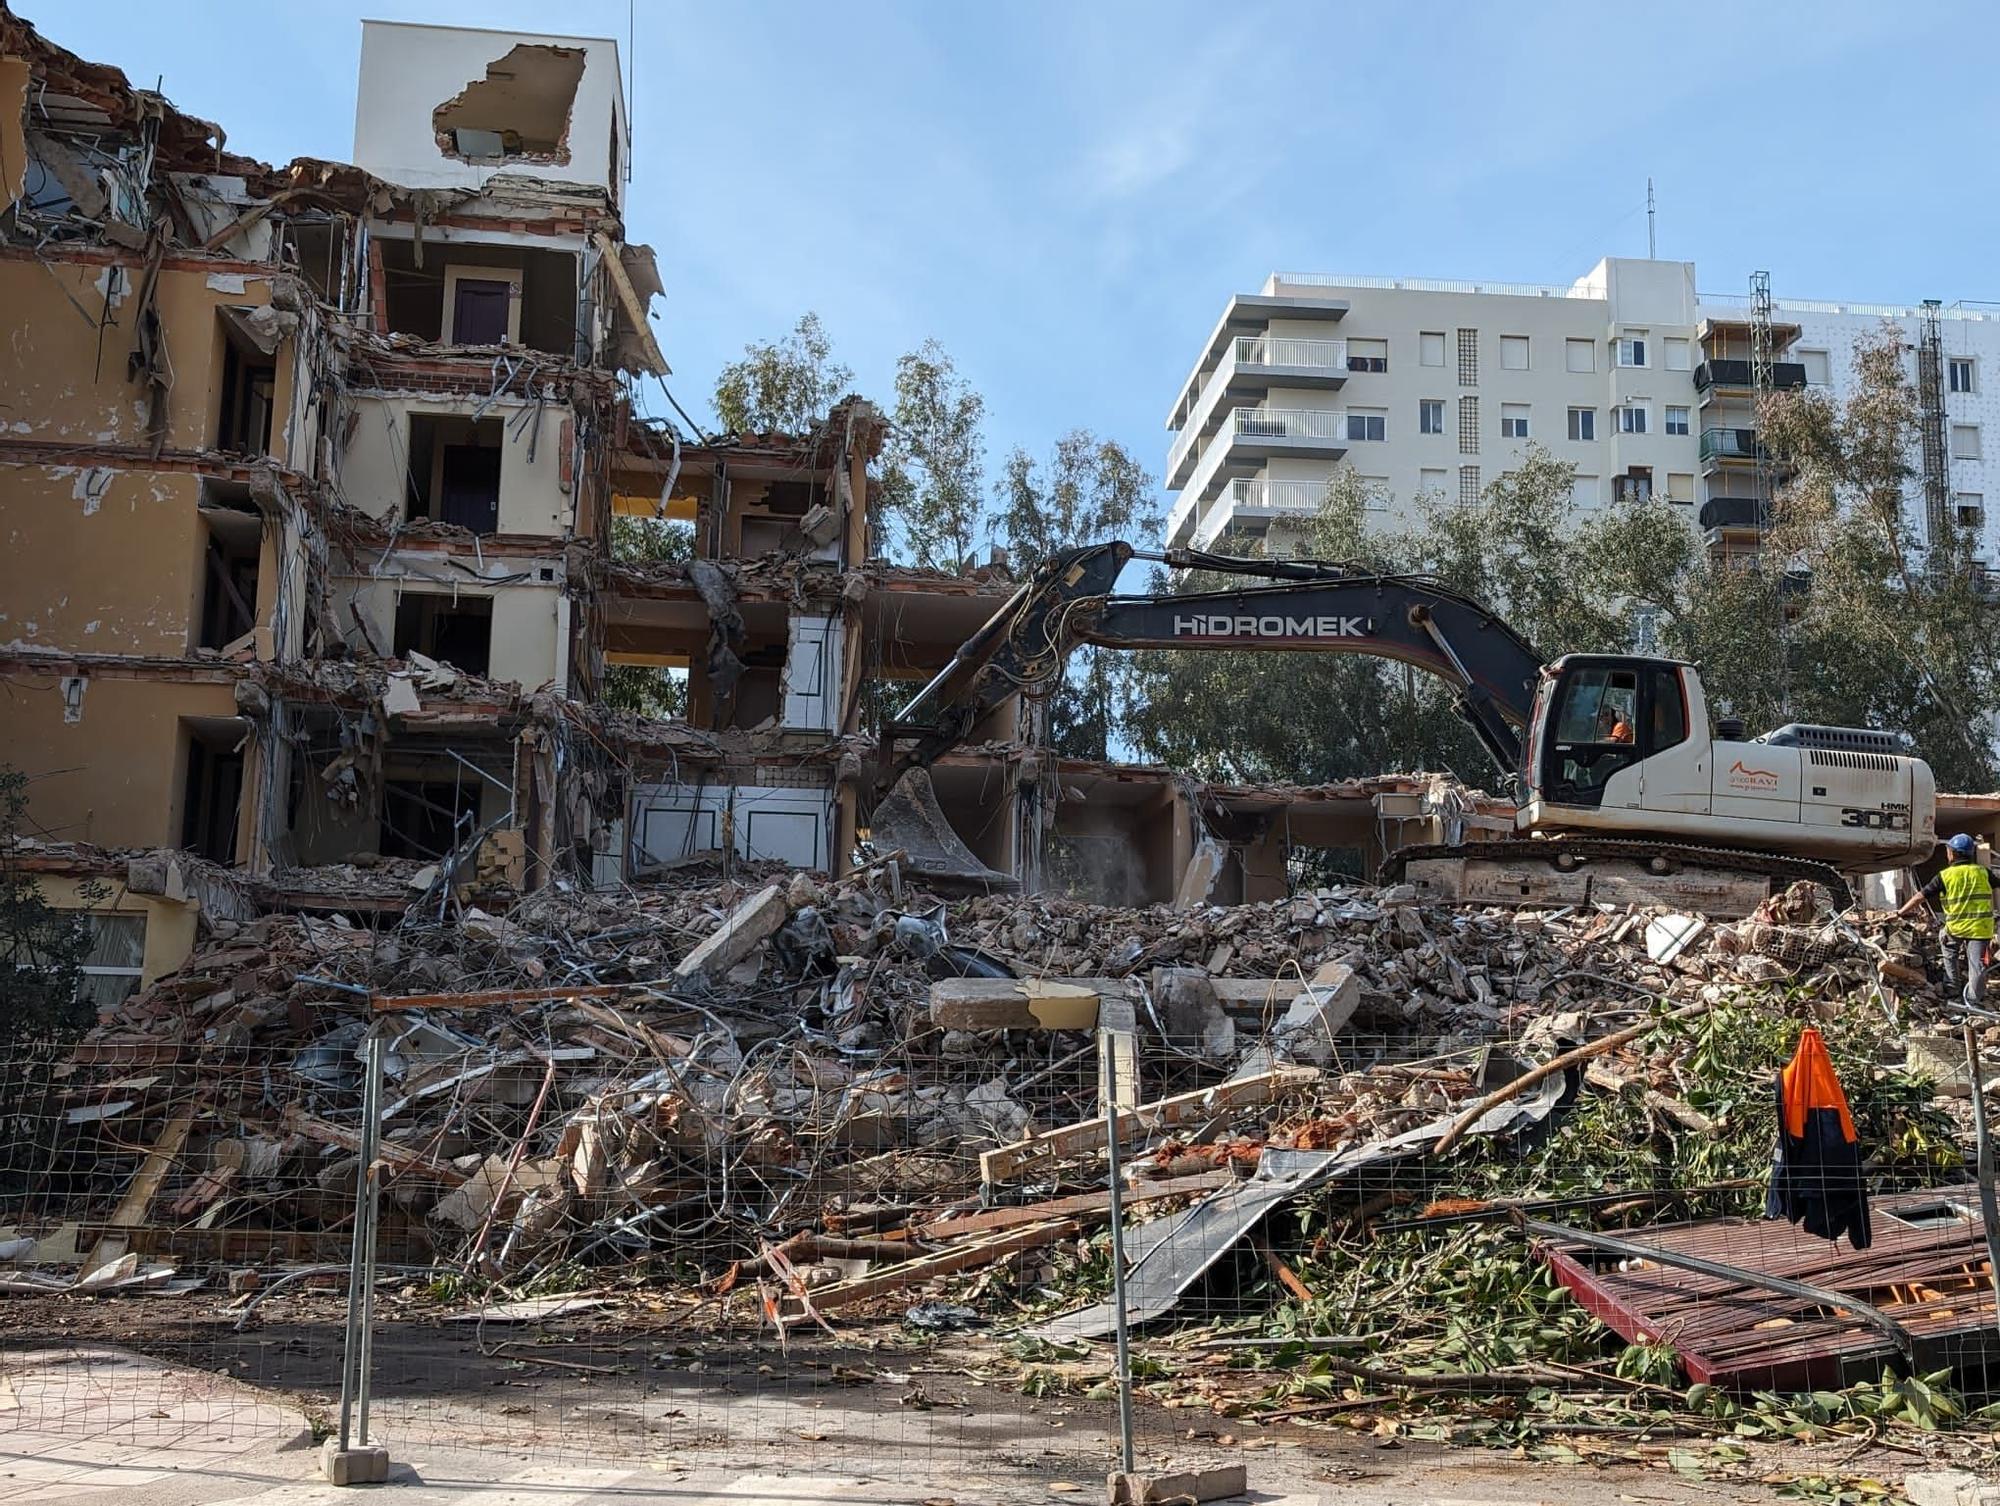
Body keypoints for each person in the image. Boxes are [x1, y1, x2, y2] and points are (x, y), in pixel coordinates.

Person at [1899, 833, 1995, 1008]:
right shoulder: (1983, 873)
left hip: (1956, 928)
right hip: (1981, 929)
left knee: (1948, 949)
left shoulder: (1945, 875)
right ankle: (1974, 1002)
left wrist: (1900, 913)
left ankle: (1952, 990)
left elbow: (1921, 896)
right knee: (1977, 966)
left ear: (1952, 853)